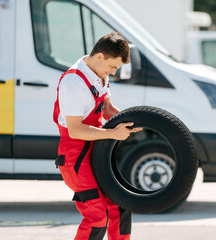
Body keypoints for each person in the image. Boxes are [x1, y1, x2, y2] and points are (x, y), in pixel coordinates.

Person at [53, 32, 141, 240]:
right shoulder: (74, 83)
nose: (113, 72)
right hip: (75, 157)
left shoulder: (99, 71)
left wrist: (132, 121)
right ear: (100, 56)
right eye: (113, 67)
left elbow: (107, 108)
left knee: (121, 205)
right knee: (97, 217)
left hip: (96, 148)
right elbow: (75, 130)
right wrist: (112, 133)